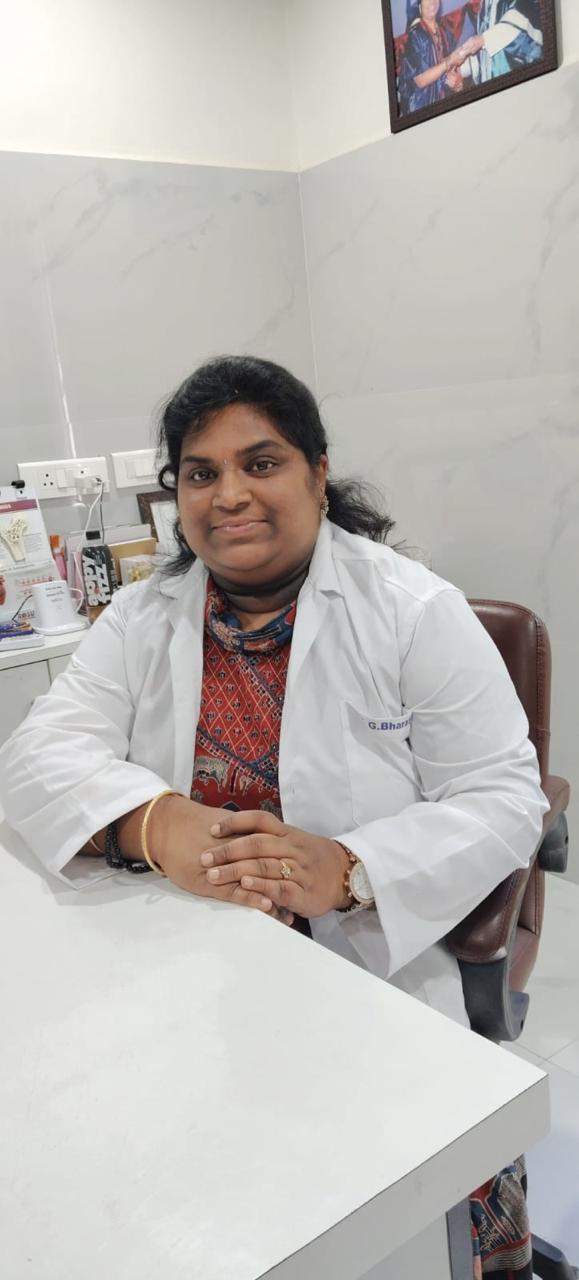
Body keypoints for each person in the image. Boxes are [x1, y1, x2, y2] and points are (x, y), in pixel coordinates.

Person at [0, 356, 547, 1276]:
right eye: (201, 473)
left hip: (364, 960)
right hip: (188, 952)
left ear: (318, 473)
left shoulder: (413, 611)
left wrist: (352, 868)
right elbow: (33, 756)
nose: (229, 496)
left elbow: (504, 795)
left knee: (386, 1200)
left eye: (260, 463)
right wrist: (152, 824)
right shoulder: (141, 618)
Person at [398, 0, 480, 115]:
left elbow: (443, 69)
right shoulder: (415, 35)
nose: (431, 2)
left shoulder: (443, 33)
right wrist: (449, 62)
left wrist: (457, 83)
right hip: (419, 109)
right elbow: (419, 80)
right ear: (420, 6)